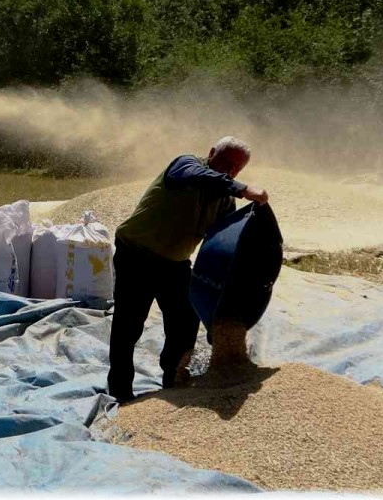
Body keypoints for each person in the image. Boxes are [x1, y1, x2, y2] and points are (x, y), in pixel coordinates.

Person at [106, 136, 268, 401]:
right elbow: (198, 175)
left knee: (186, 321)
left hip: (174, 263)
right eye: (226, 161)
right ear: (212, 152)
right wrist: (242, 188)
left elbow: (224, 242)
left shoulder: (225, 201)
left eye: (236, 167)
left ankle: (173, 378)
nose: (230, 169)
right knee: (129, 324)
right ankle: (121, 391)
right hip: (136, 254)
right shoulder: (185, 165)